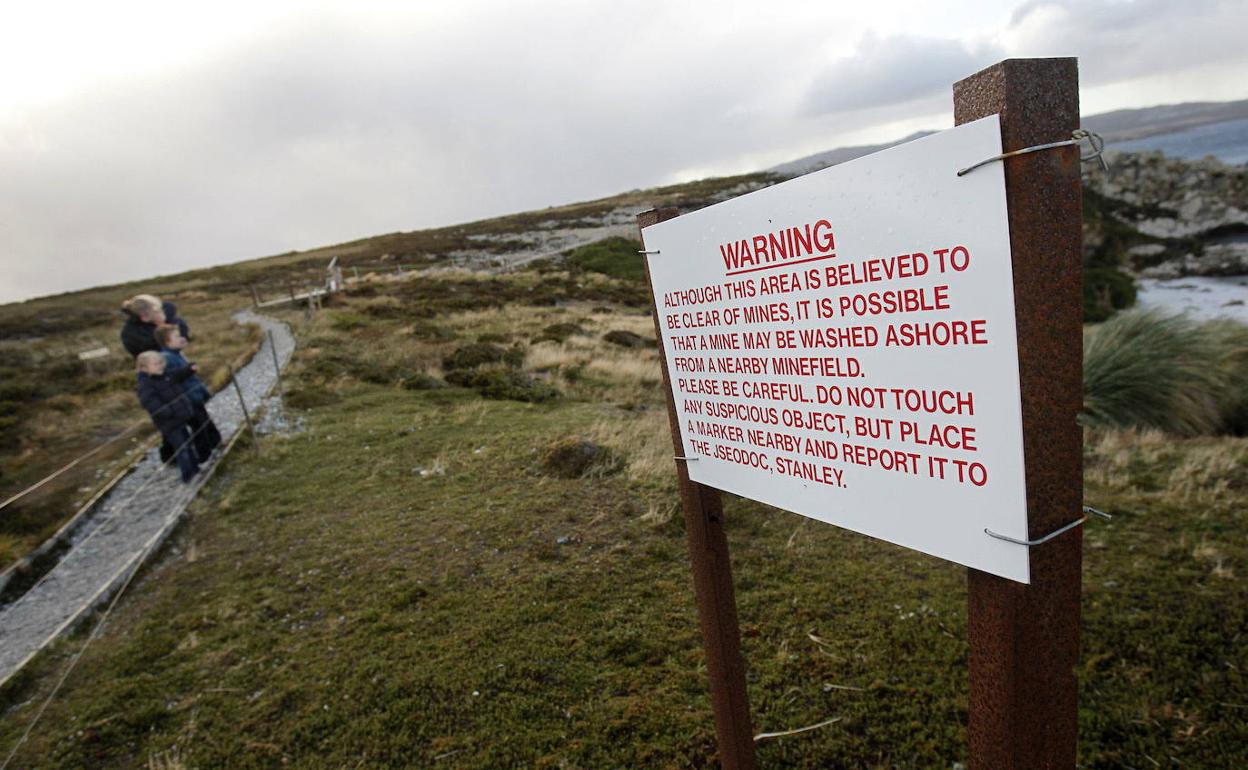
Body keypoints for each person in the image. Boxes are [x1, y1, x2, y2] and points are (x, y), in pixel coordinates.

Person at [155, 325, 221, 460]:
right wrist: (188, 370)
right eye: (177, 337)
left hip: (193, 395)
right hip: (187, 398)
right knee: (199, 427)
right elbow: (170, 378)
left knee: (204, 421)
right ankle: (205, 455)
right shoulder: (167, 358)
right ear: (167, 341)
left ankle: (215, 442)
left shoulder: (175, 354)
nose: (181, 338)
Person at [135, 351, 200, 483]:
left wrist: (189, 369)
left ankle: (195, 468)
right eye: (156, 364)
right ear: (144, 368)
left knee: (187, 443)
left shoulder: (164, 376)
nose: (160, 366)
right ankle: (188, 475)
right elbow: (150, 403)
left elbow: (178, 375)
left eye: (161, 363)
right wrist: (169, 412)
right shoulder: (146, 385)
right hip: (169, 423)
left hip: (180, 418)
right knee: (182, 448)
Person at [120, 294, 191, 357]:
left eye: (160, 310)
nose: (162, 313)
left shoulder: (169, 315)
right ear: (144, 317)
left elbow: (183, 332)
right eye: (158, 312)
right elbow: (146, 351)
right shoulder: (131, 333)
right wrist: (162, 328)